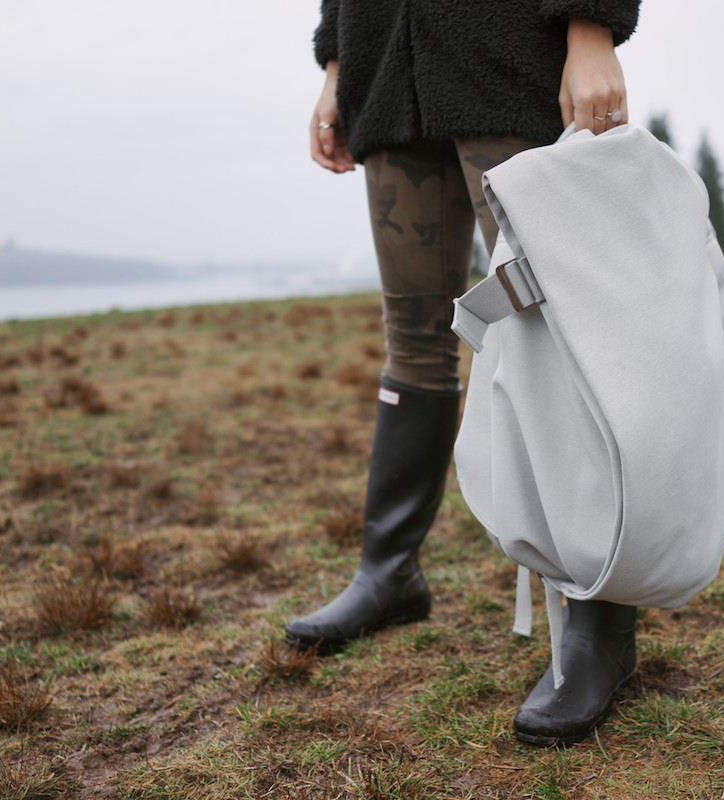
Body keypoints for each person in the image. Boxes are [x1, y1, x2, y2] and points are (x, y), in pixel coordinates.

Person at [283, 1, 643, 746]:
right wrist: (338, 65)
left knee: (558, 337)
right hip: (385, 67)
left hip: (507, 55)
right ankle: (389, 574)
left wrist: (592, 27)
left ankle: (601, 617)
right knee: (413, 341)